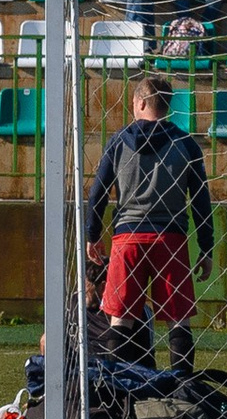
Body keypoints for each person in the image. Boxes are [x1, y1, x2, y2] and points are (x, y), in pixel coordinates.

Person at [85, 73, 215, 374]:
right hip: (170, 240)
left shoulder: (118, 141)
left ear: (141, 102)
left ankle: (117, 390)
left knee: (122, 318)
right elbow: (200, 201)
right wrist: (206, 248)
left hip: (127, 239)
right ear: (166, 106)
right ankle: (183, 390)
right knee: (177, 319)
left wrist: (93, 234)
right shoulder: (186, 143)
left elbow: (98, 193)